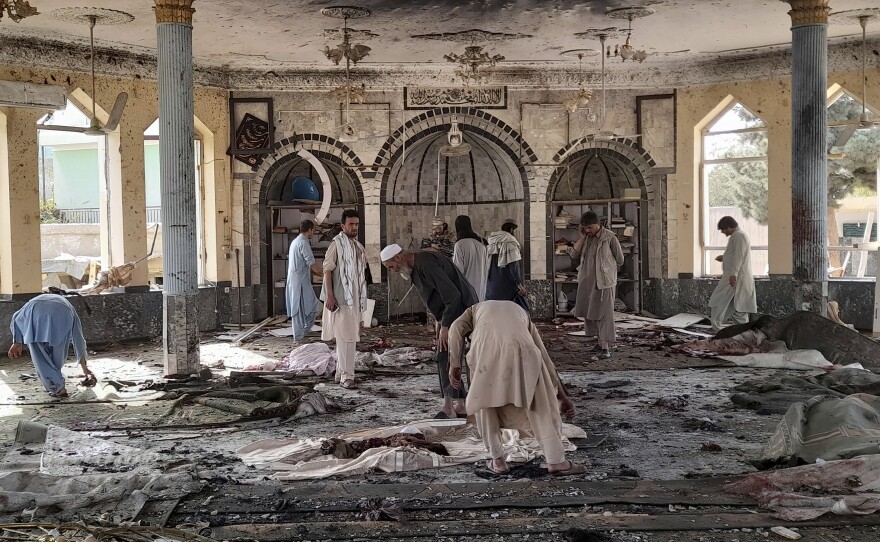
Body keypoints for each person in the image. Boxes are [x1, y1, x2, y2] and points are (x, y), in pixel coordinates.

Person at [448, 301, 586, 476]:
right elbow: (544, 357)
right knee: (541, 406)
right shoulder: (521, 313)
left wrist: (454, 365)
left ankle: (498, 461)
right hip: (524, 351)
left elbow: (454, 329)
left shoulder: (471, 311)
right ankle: (556, 461)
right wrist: (562, 397)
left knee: (486, 406)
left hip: (484, 353)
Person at [381, 244, 478, 419]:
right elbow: (438, 297)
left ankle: (450, 407)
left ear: (398, 258)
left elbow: (453, 296)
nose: (393, 271)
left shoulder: (426, 265)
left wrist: (446, 326)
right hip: (451, 313)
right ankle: (460, 403)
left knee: (443, 356)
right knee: (446, 355)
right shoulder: (417, 265)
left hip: (460, 311)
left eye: (391, 266)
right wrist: (440, 321)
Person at [7, 294, 95, 398]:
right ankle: (57, 384)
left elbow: (16, 318)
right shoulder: (70, 309)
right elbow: (78, 338)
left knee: (40, 357)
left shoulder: (28, 305)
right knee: (58, 357)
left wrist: (17, 342)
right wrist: (84, 367)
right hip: (62, 313)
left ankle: (58, 388)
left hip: (35, 312)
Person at [321, 210, 367, 389]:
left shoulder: (356, 245)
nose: (354, 227)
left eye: (356, 224)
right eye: (351, 224)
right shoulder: (337, 244)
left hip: (354, 299)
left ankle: (340, 373)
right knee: (346, 339)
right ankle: (348, 377)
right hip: (341, 299)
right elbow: (327, 270)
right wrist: (330, 296)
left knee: (347, 338)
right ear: (343, 226)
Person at [569, 211, 624, 360]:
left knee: (605, 314)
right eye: (585, 228)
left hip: (604, 282)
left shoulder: (610, 237)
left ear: (598, 224)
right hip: (587, 281)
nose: (588, 230)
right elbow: (573, 255)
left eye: (590, 228)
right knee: (591, 312)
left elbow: (620, 259)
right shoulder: (586, 238)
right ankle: (599, 342)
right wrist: (581, 238)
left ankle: (605, 346)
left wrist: (607, 268)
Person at [708, 216, 757, 331]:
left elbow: (739, 256)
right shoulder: (738, 235)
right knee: (738, 307)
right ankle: (742, 331)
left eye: (724, 230)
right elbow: (736, 255)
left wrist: (733, 274)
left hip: (734, 278)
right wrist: (725, 257)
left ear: (729, 226)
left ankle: (717, 328)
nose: (723, 232)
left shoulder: (739, 236)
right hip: (735, 277)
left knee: (718, 301)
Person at [286, 219, 323, 343]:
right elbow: (312, 263)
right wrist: (326, 274)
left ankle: (305, 329)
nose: (313, 232)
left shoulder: (296, 241)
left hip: (299, 280)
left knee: (313, 306)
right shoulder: (303, 243)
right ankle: (298, 337)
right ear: (310, 230)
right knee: (298, 309)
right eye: (313, 230)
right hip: (299, 281)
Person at [486, 219, 528, 311]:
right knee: (524, 310)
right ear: (511, 230)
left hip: (491, 287)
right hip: (507, 286)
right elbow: (514, 267)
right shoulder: (511, 242)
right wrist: (519, 285)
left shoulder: (491, 241)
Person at [452, 215, 488, 301]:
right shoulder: (481, 243)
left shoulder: (460, 244)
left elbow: (458, 270)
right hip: (481, 287)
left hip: (466, 289)